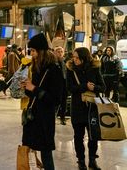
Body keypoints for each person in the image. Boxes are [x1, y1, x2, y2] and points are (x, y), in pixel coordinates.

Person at [21, 33, 63, 170]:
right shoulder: (36, 68)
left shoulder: (53, 70)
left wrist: (34, 89)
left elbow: (56, 99)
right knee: (30, 150)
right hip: (32, 115)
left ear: (41, 51)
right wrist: (27, 88)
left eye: (33, 51)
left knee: (45, 152)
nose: (31, 54)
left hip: (45, 118)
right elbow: (34, 93)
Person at [66, 47, 105, 170]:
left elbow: (103, 87)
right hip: (77, 107)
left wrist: (94, 88)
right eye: (74, 57)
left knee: (93, 136)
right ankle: (81, 160)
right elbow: (70, 88)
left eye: (77, 58)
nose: (75, 59)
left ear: (84, 58)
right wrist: (85, 86)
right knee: (78, 136)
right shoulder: (71, 70)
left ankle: (92, 160)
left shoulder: (94, 69)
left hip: (92, 108)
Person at [54, 46, 68, 125]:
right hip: (56, 85)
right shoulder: (52, 62)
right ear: (55, 53)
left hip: (64, 84)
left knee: (64, 102)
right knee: (55, 102)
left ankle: (63, 117)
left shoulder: (65, 62)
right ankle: (53, 116)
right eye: (58, 51)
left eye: (61, 52)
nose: (60, 53)